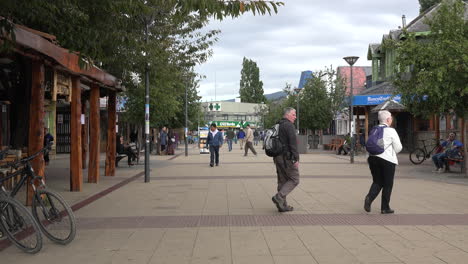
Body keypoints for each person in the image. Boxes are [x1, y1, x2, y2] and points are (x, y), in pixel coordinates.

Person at [364, 110, 402, 214]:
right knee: (388, 184)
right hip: (387, 160)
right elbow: (399, 148)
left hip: (372, 158)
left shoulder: (374, 130)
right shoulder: (391, 131)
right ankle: (385, 208)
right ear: (388, 119)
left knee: (377, 181)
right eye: (391, 118)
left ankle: (369, 198)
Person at [271, 107, 299, 212]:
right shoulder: (289, 125)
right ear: (287, 115)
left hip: (277, 156)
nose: (295, 117)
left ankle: (282, 205)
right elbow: (293, 143)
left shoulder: (277, 124)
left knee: (282, 181)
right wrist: (296, 159)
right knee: (295, 179)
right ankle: (279, 197)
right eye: (293, 114)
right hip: (286, 158)